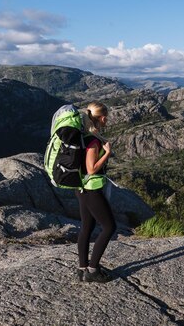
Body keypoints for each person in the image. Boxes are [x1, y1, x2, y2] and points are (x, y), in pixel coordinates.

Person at [76, 101, 117, 283]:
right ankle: (92, 270)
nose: (107, 119)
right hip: (92, 190)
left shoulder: (84, 136)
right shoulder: (93, 141)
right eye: (105, 116)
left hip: (81, 188)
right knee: (109, 227)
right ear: (101, 117)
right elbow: (91, 168)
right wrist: (107, 153)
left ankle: (82, 268)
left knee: (87, 227)